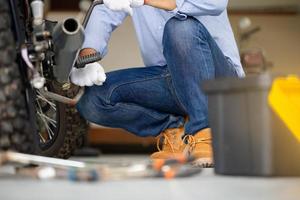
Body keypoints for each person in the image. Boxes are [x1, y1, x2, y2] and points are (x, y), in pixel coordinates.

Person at [70, 0, 245, 167]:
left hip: (219, 82)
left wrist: (146, 0)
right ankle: (177, 132)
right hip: (170, 79)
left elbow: (216, 2)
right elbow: (104, 11)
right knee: (92, 99)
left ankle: (205, 134)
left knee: (180, 29)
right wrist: (87, 58)